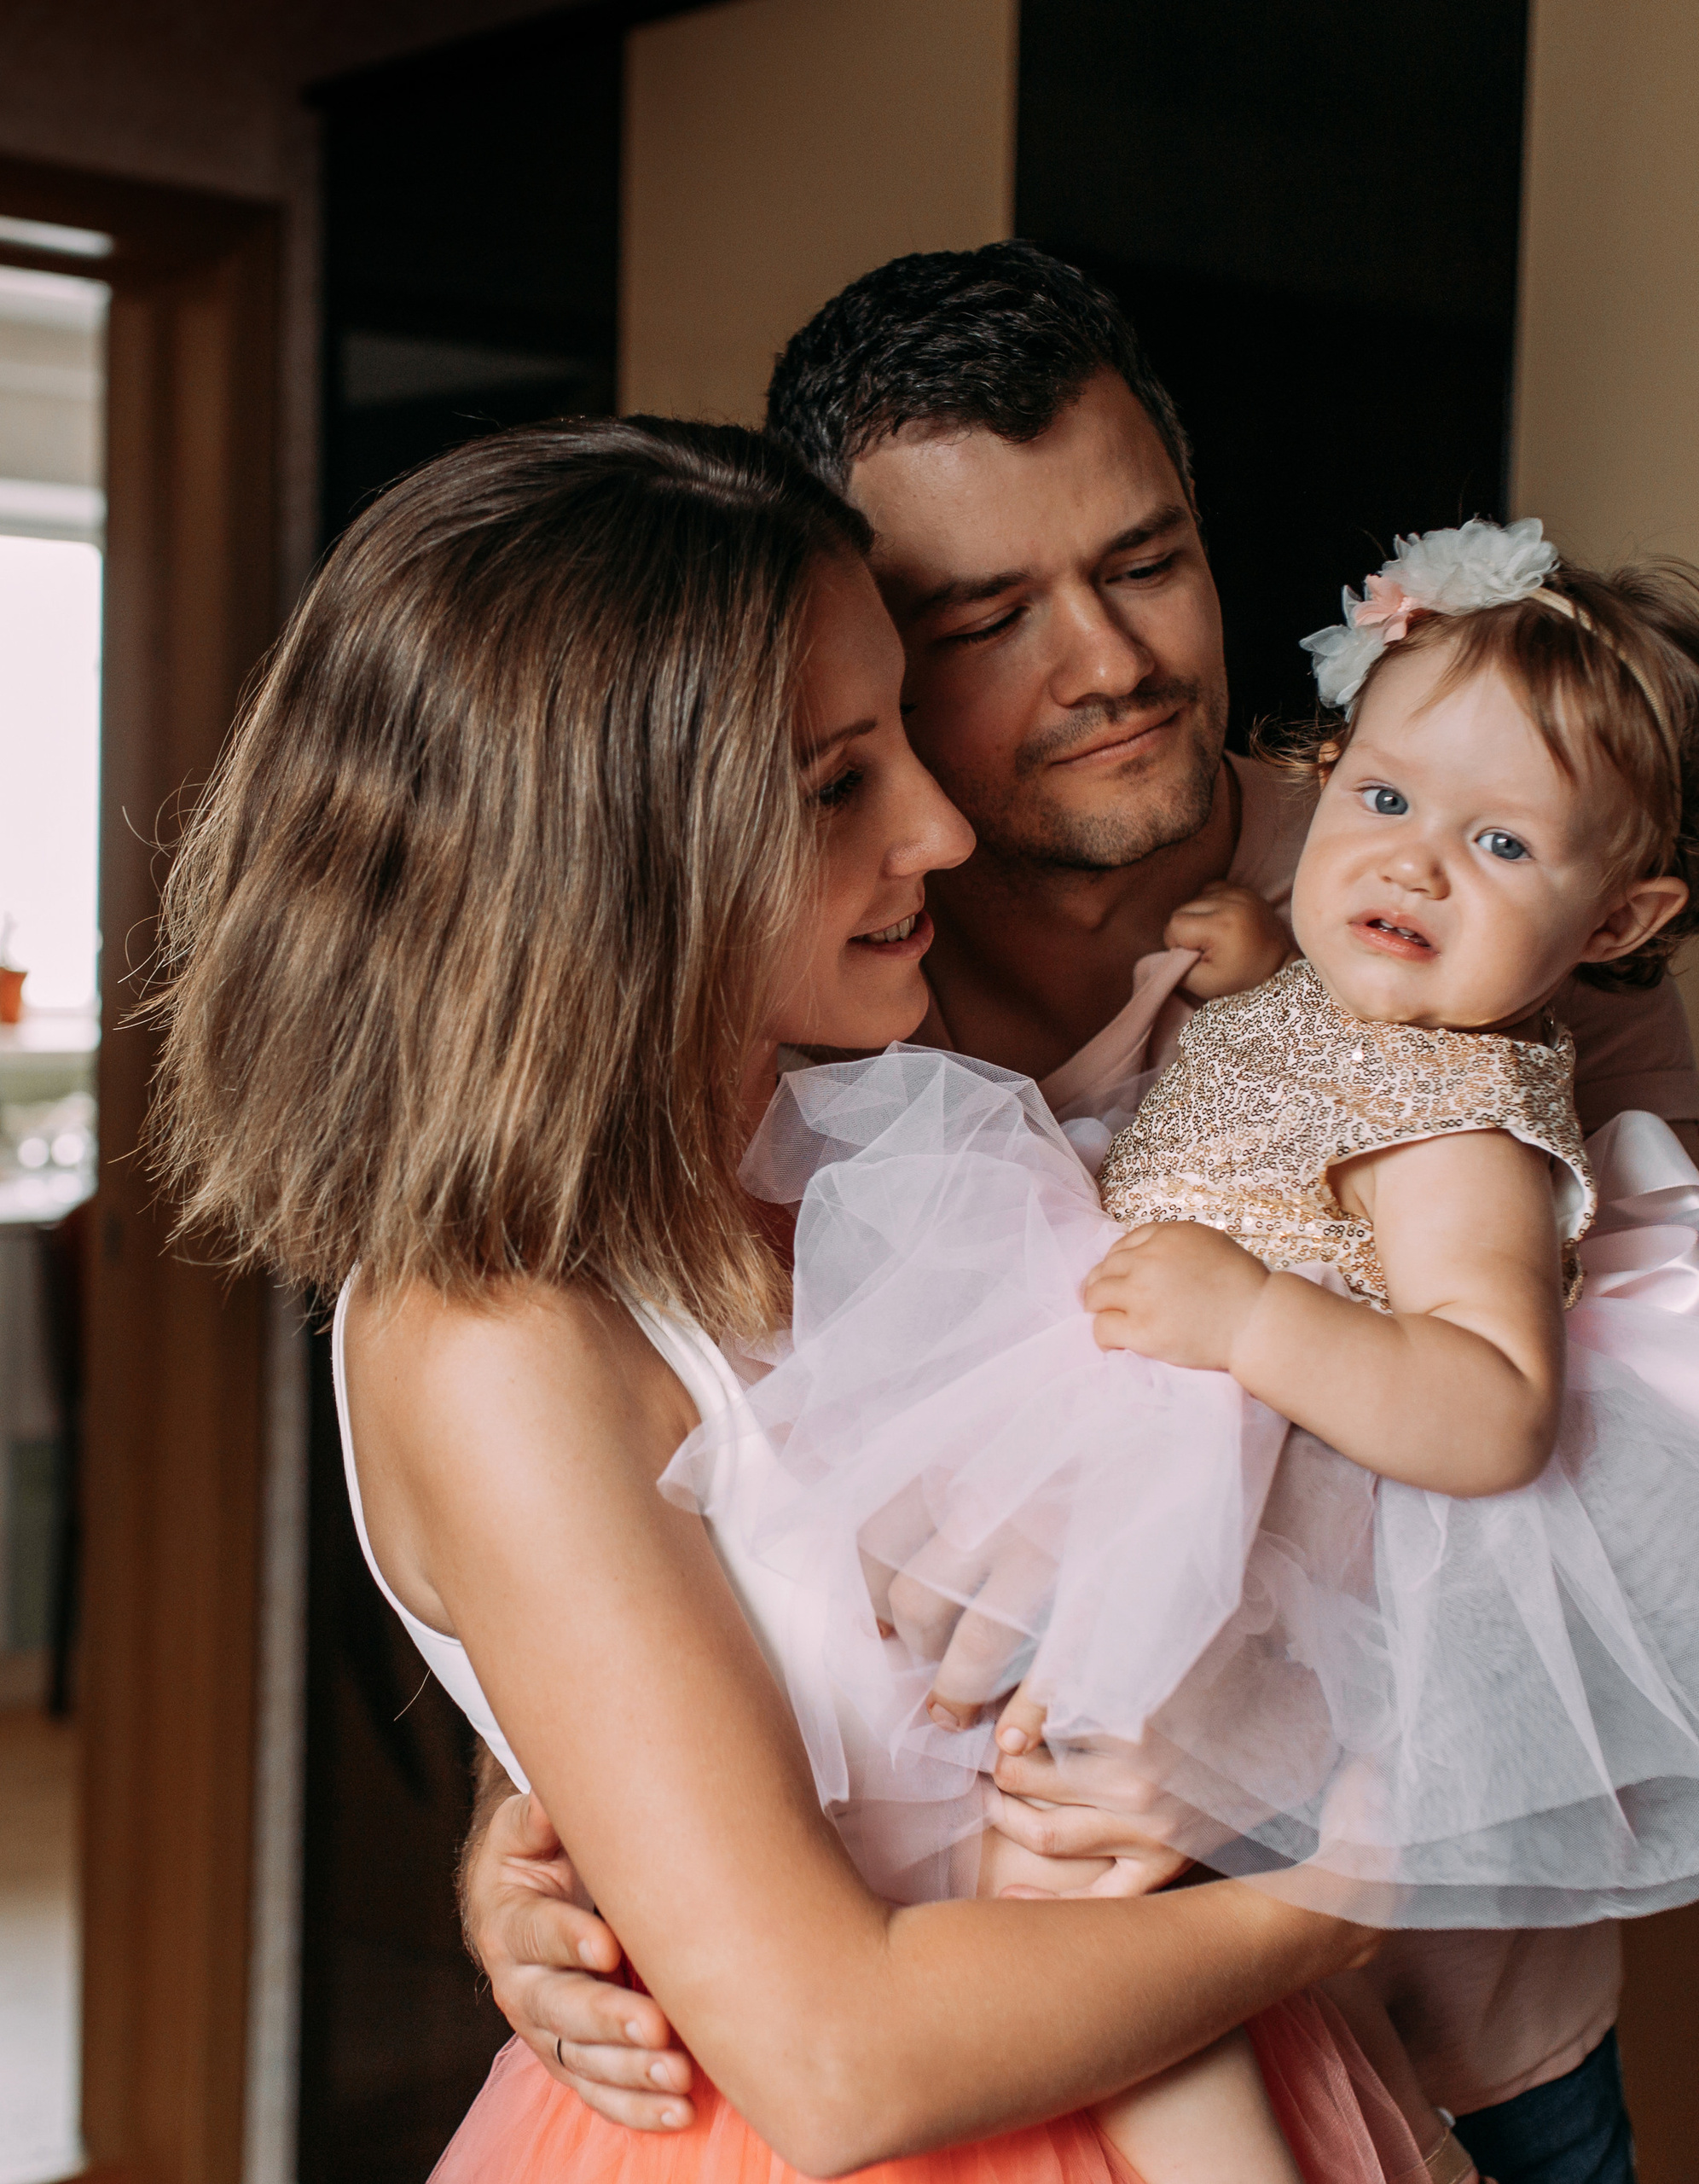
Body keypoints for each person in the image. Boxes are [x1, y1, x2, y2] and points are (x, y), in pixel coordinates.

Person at [466, 247, 1699, 2184]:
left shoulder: (1487, 916)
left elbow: (1638, 1509)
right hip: (1003, 2041)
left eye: (1146, 562)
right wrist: (534, 1811)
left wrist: (1276, 1773)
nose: (1109, 660)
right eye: (984, 617)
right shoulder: (814, 971)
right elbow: (684, 1457)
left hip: (1462, 2039)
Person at [150, 415, 1413, 2179]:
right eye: (836, 784)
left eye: (901, 735)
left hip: (1188, 2050)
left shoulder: (893, 1132)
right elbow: (832, 2061)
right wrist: (1340, 1894)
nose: (939, 826)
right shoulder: (495, 1340)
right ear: (602, 857)